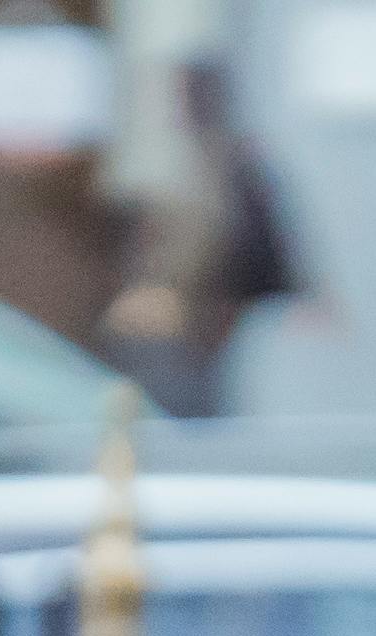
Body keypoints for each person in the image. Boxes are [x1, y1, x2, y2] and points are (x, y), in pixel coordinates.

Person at [101, 56, 313, 415]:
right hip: (181, 319)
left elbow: (253, 238)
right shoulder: (184, 158)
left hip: (205, 313)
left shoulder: (229, 164)